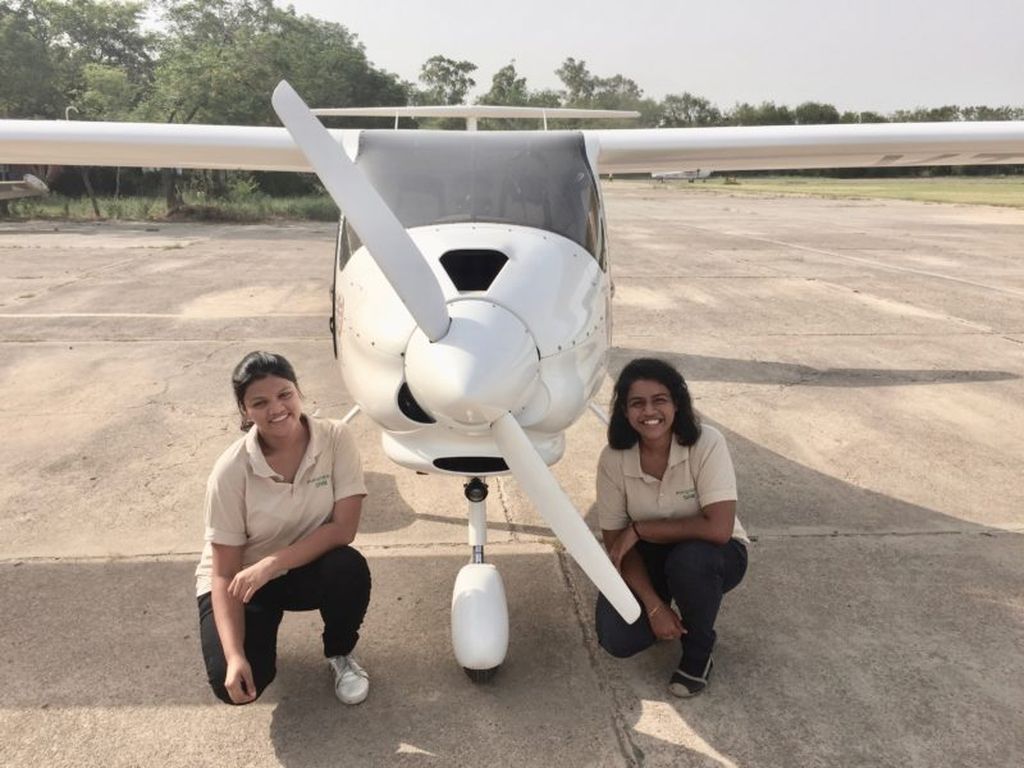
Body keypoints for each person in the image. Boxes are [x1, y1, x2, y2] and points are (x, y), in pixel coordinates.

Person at [195, 351, 372, 706]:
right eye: (259, 402)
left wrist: (272, 564)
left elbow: (343, 529)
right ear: (245, 411)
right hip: (243, 583)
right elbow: (223, 573)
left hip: (297, 568)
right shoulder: (230, 472)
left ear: (298, 391)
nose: (276, 408)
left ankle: (339, 654)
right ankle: (255, 639)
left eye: (284, 394)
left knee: (347, 567)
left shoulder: (336, 438)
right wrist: (234, 657)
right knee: (241, 686)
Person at [595, 358, 749, 697]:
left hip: (714, 553)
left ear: (677, 403)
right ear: (624, 410)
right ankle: (671, 603)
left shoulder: (707, 443)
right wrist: (654, 606)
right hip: (649, 555)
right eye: (637, 403)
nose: (649, 411)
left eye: (659, 399)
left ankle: (699, 649)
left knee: (691, 564)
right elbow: (617, 548)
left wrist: (639, 529)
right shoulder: (613, 459)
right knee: (618, 638)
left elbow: (719, 530)